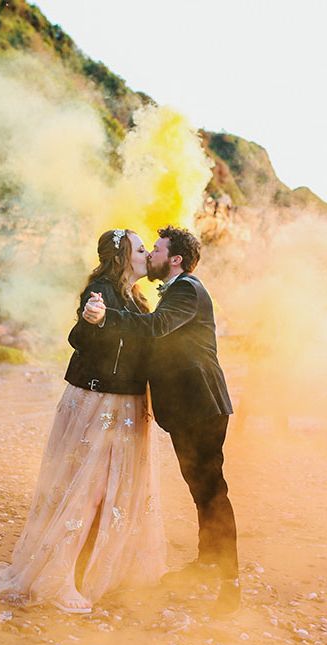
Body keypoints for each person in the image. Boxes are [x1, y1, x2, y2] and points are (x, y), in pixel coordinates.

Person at [0, 229, 166, 613]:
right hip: (100, 400)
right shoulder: (99, 291)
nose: (147, 253)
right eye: (140, 249)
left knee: (117, 489)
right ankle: (59, 576)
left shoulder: (138, 298)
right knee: (87, 487)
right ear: (122, 257)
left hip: (130, 401)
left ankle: (106, 570)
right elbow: (83, 334)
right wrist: (92, 321)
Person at [82, 225, 239, 613]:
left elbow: (154, 329)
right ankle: (206, 564)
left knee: (212, 492)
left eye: (156, 249)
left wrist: (105, 319)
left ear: (175, 259)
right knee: (200, 490)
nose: (150, 254)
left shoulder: (186, 289)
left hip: (202, 406)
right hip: (188, 409)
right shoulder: (174, 292)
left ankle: (230, 585)